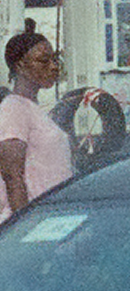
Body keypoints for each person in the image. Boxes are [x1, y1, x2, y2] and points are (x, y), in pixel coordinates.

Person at [0, 27, 72, 221]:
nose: (53, 66)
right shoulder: (14, 108)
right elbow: (12, 176)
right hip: (33, 224)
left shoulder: (34, 109)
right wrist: (23, 227)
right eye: (43, 61)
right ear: (20, 66)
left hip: (51, 218)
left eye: (54, 59)